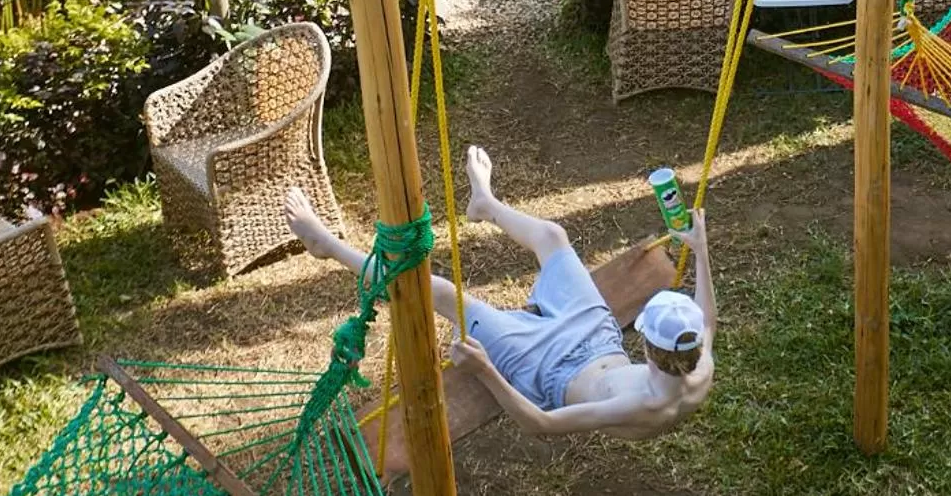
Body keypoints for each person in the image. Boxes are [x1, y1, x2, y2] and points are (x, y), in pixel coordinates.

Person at [284, 146, 714, 449]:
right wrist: (701, 250)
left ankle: (330, 248)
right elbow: (708, 320)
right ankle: (485, 204)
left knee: (442, 293)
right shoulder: (701, 367)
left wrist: (487, 370)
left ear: (646, 343)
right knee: (553, 236)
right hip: (598, 339)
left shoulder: (635, 404)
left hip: (544, 367)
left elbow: (541, 424)